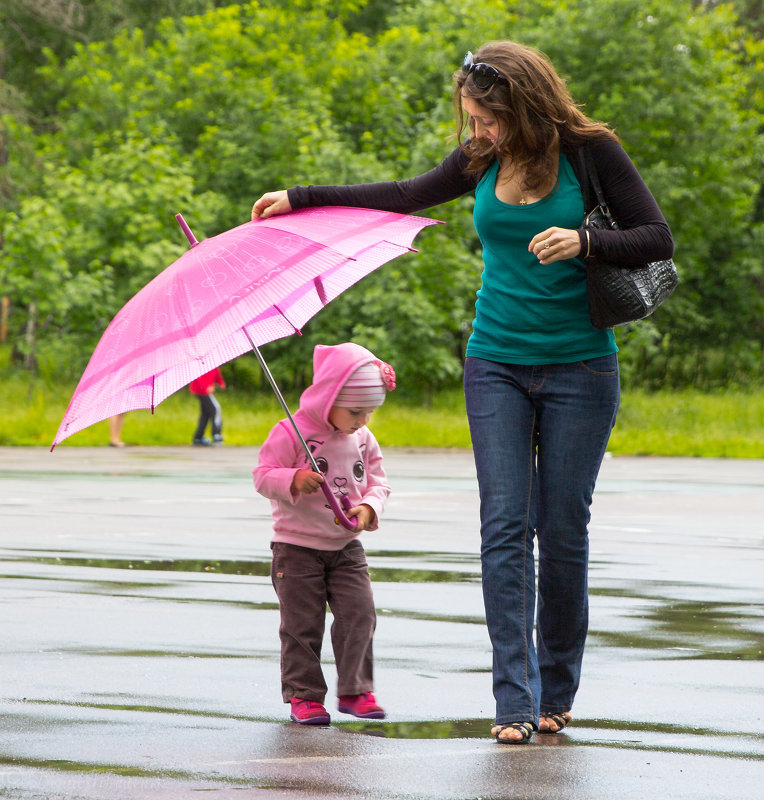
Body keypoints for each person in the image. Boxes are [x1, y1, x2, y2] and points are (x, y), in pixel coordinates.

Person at [251, 41, 673, 743]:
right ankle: (514, 701)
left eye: (487, 120)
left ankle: (555, 690)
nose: (475, 133)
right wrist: (303, 198)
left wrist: (586, 242)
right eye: (470, 119)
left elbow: (656, 237)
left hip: (582, 368)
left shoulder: (591, 153)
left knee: (561, 531)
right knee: (505, 526)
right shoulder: (480, 161)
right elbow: (402, 195)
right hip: (495, 363)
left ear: (526, 108)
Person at [253, 342, 395, 725]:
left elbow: (378, 481)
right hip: (296, 548)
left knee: (359, 614)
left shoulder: (363, 438)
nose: (362, 419)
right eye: (354, 410)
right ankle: (304, 695)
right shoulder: (291, 432)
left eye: (369, 412)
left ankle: (355, 689)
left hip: (346, 546)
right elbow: (263, 475)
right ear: (329, 397)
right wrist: (294, 478)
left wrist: (369, 507)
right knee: (302, 625)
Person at [189, 367, 225, 446]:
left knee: (205, 414)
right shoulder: (202, 362)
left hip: (204, 390)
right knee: (215, 409)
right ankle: (216, 434)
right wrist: (206, 386)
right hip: (201, 390)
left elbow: (216, 373)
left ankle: (198, 437)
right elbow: (198, 376)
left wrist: (220, 382)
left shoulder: (212, 362)